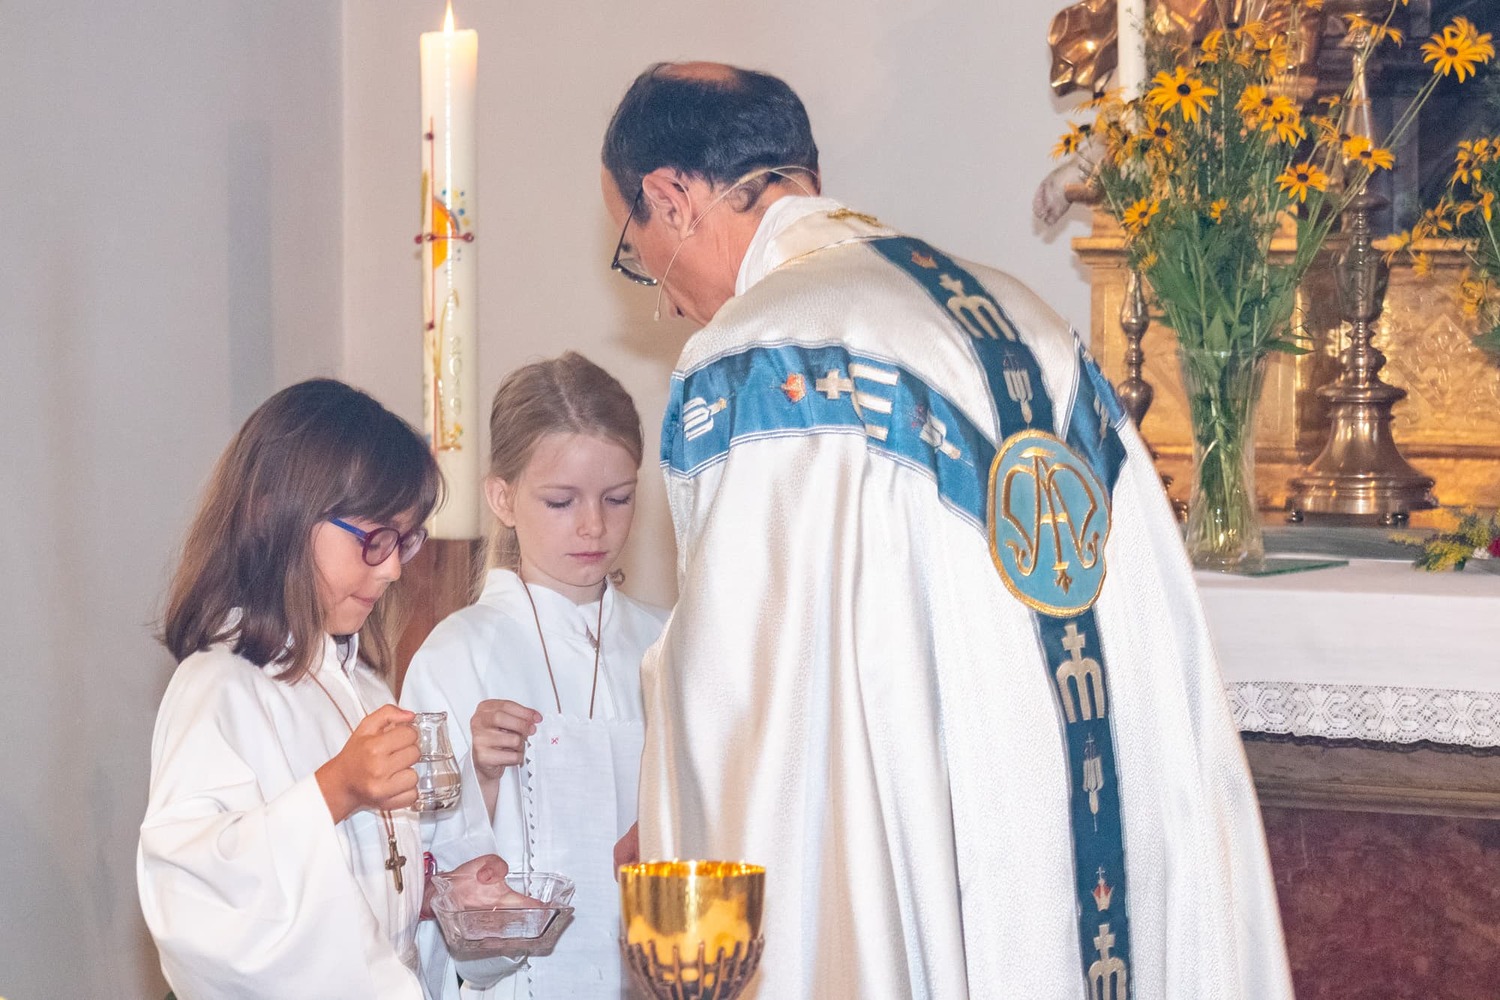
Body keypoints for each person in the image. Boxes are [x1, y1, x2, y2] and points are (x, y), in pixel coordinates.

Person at [600, 62, 1294, 999]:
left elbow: (740, 696)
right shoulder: (1025, 316)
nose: (667, 297)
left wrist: (679, 825)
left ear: (671, 199)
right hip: (1078, 830)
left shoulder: (760, 354)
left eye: (637, 252)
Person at [138, 378, 504, 999]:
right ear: (272, 516)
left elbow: (350, 878)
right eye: (374, 539)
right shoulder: (219, 687)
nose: (393, 568)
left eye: (405, 541)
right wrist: (337, 789)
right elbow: (195, 897)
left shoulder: (364, 686)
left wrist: (431, 897)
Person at [402, 352, 668, 999]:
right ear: (503, 498)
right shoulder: (458, 653)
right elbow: (415, 868)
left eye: (618, 498)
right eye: (560, 501)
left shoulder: (667, 643)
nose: (594, 524)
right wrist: (480, 777)